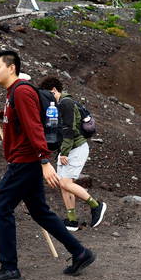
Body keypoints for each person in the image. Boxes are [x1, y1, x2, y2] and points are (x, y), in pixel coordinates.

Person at [0, 50, 96, 280]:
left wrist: (44, 161)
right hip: (28, 161)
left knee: (2, 209)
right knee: (40, 212)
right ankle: (80, 252)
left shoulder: (21, 92)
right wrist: (2, 113)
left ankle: (9, 269)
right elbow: (22, 122)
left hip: (26, 161)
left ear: (11, 68)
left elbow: (34, 127)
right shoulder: (13, 93)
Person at [39, 77, 106, 231]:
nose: (46, 98)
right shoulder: (57, 104)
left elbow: (68, 130)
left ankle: (96, 205)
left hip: (76, 148)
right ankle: (72, 220)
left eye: (48, 94)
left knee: (65, 183)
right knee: (64, 185)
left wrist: (64, 152)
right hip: (67, 149)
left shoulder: (66, 103)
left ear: (54, 90)